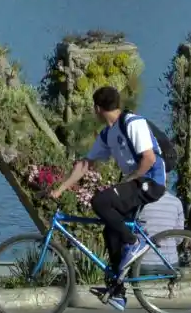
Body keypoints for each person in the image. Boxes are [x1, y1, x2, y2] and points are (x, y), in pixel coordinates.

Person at [49, 86, 167, 311]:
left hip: (151, 182)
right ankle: (118, 292)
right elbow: (85, 164)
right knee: (110, 231)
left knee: (100, 201)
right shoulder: (107, 134)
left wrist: (129, 179)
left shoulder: (133, 123)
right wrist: (60, 189)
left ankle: (134, 242)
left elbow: (149, 159)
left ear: (97, 108)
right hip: (135, 182)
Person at [135, 191, 184, 271]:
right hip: (170, 262)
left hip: (143, 262)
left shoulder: (139, 200)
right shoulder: (176, 202)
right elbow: (179, 238)